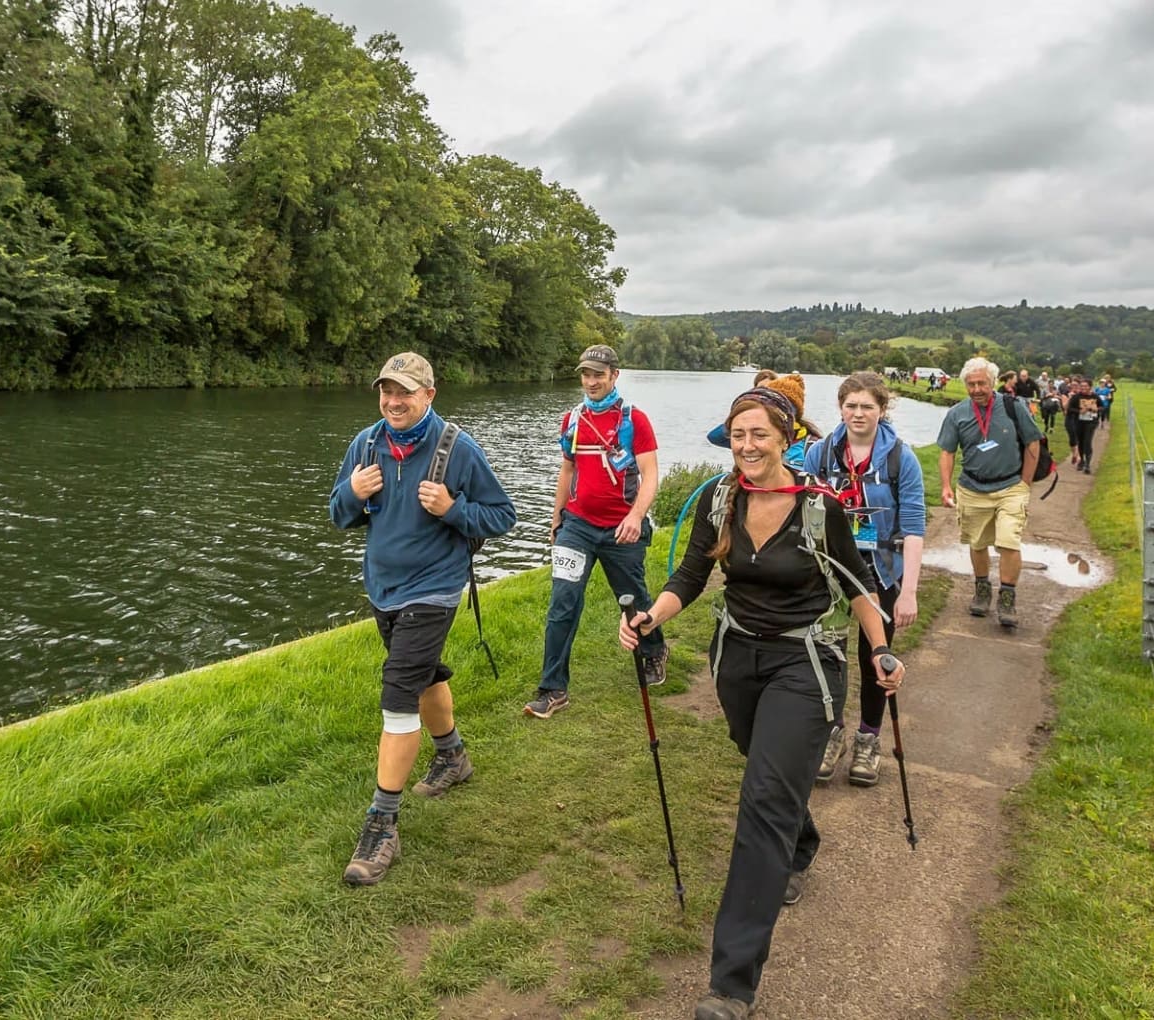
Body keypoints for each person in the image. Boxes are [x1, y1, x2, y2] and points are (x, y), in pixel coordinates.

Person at [621, 386, 902, 1020]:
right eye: (738, 435)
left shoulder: (818, 508)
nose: (748, 446)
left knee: (762, 800)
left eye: (760, 435)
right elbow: (691, 576)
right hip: (737, 661)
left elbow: (860, 591)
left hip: (804, 664)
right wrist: (651, 616)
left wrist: (881, 651)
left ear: (786, 437)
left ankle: (730, 986)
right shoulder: (721, 500)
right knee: (766, 770)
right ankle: (801, 843)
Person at [329, 352, 518, 886]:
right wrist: (353, 493)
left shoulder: (458, 449)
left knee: (398, 692)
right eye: (386, 391)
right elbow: (338, 514)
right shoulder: (365, 445)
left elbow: (502, 515)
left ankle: (381, 824)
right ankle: (453, 756)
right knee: (424, 673)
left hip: (435, 588)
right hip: (383, 587)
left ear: (429, 395)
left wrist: (452, 509)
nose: (394, 401)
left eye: (405, 392)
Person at [800, 372, 925, 788]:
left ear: (882, 410)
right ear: (840, 408)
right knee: (828, 653)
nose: (858, 413)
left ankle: (868, 739)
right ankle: (831, 732)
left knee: (876, 653)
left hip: (883, 571)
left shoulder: (900, 459)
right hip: (831, 570)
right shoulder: (820, 453)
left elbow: (913, 527)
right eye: (851, 406)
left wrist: (908, 592)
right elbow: (804, 511)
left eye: (867, 406)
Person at [526, 344, 665, 720]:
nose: (591, 382)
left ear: (614, 376)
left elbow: (651, 475)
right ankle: (553, 688)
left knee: (633, 598)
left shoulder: (635, 420)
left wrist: (636, 516)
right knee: (562, 603)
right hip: (578, 527)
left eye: (598, 375)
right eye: (586, 374)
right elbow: (567, 471)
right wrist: (557, 519)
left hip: (623, 529)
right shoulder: (572, 419)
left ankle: (653, 651)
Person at [938, 357, 1042, 629]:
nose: (976, 389)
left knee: (1009, 540)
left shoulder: (1014, 407)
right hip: (972, 488)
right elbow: (947, 452)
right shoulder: (957, 414)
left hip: (1010, 487)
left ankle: (1007, 598)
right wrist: (946, 486)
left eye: (981, 383)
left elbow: (1033, 443)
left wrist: (1025, 484)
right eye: (971, 384)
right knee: (977, 542)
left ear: (993, 382)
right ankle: (982, 590)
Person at [707, 371, 818, 468]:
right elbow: (714, 437)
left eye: (760, 435)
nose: (748, 447)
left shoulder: (812, 445)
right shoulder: (748, 437)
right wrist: (743, 419)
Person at [1066, 379, 1102, 474]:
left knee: (1087, 442)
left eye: (1085, 386)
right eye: (1081, 386)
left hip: (1091, 422)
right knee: (1081, 442)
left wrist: (1096, 409)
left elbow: (1102, 406)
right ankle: (1082, 460)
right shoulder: (1076, 397)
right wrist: (1079, 411)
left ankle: (1088, 465)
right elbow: (1069, 409)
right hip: (1079, 422)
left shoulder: (1095, 396)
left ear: (1090, 387)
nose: (1083, 388)